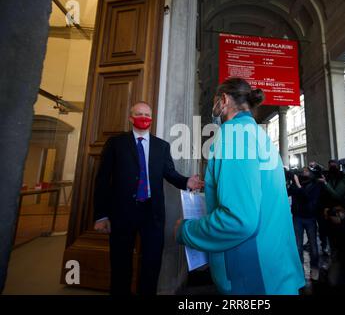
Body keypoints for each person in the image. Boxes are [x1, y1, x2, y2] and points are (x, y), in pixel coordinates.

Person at [174, 78, 305, 295]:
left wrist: (185, 230)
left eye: (215, 102)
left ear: (224, 100)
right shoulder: (256, 134)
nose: (214, 109)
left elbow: (238, 220)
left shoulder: (234, 135)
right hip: (273, 269)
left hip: (250, 277)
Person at [93, 102, 204, 295]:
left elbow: (170, 174)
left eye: (147, 114)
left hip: (152, 213)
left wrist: (187, 181)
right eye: (139, 114)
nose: (143, 117)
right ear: (130, 118)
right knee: (120, 263)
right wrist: (101, 215)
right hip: (122, 213)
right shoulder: (115, 143)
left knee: (151, 263)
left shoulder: (162, 146)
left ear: (151, 119)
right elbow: (103, 180)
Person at [289, 167, 323, 281]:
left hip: (310, 218)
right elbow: (288, 192)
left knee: (313, 245)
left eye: (306, 171)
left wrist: (298, 185)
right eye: (302, 171)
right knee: (298, 246)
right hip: (297, 217)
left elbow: (308, 198)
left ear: (311, 174)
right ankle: (300, 269)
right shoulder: (296, 182)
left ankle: (314, 268)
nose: (303, 173)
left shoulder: (315, 184)